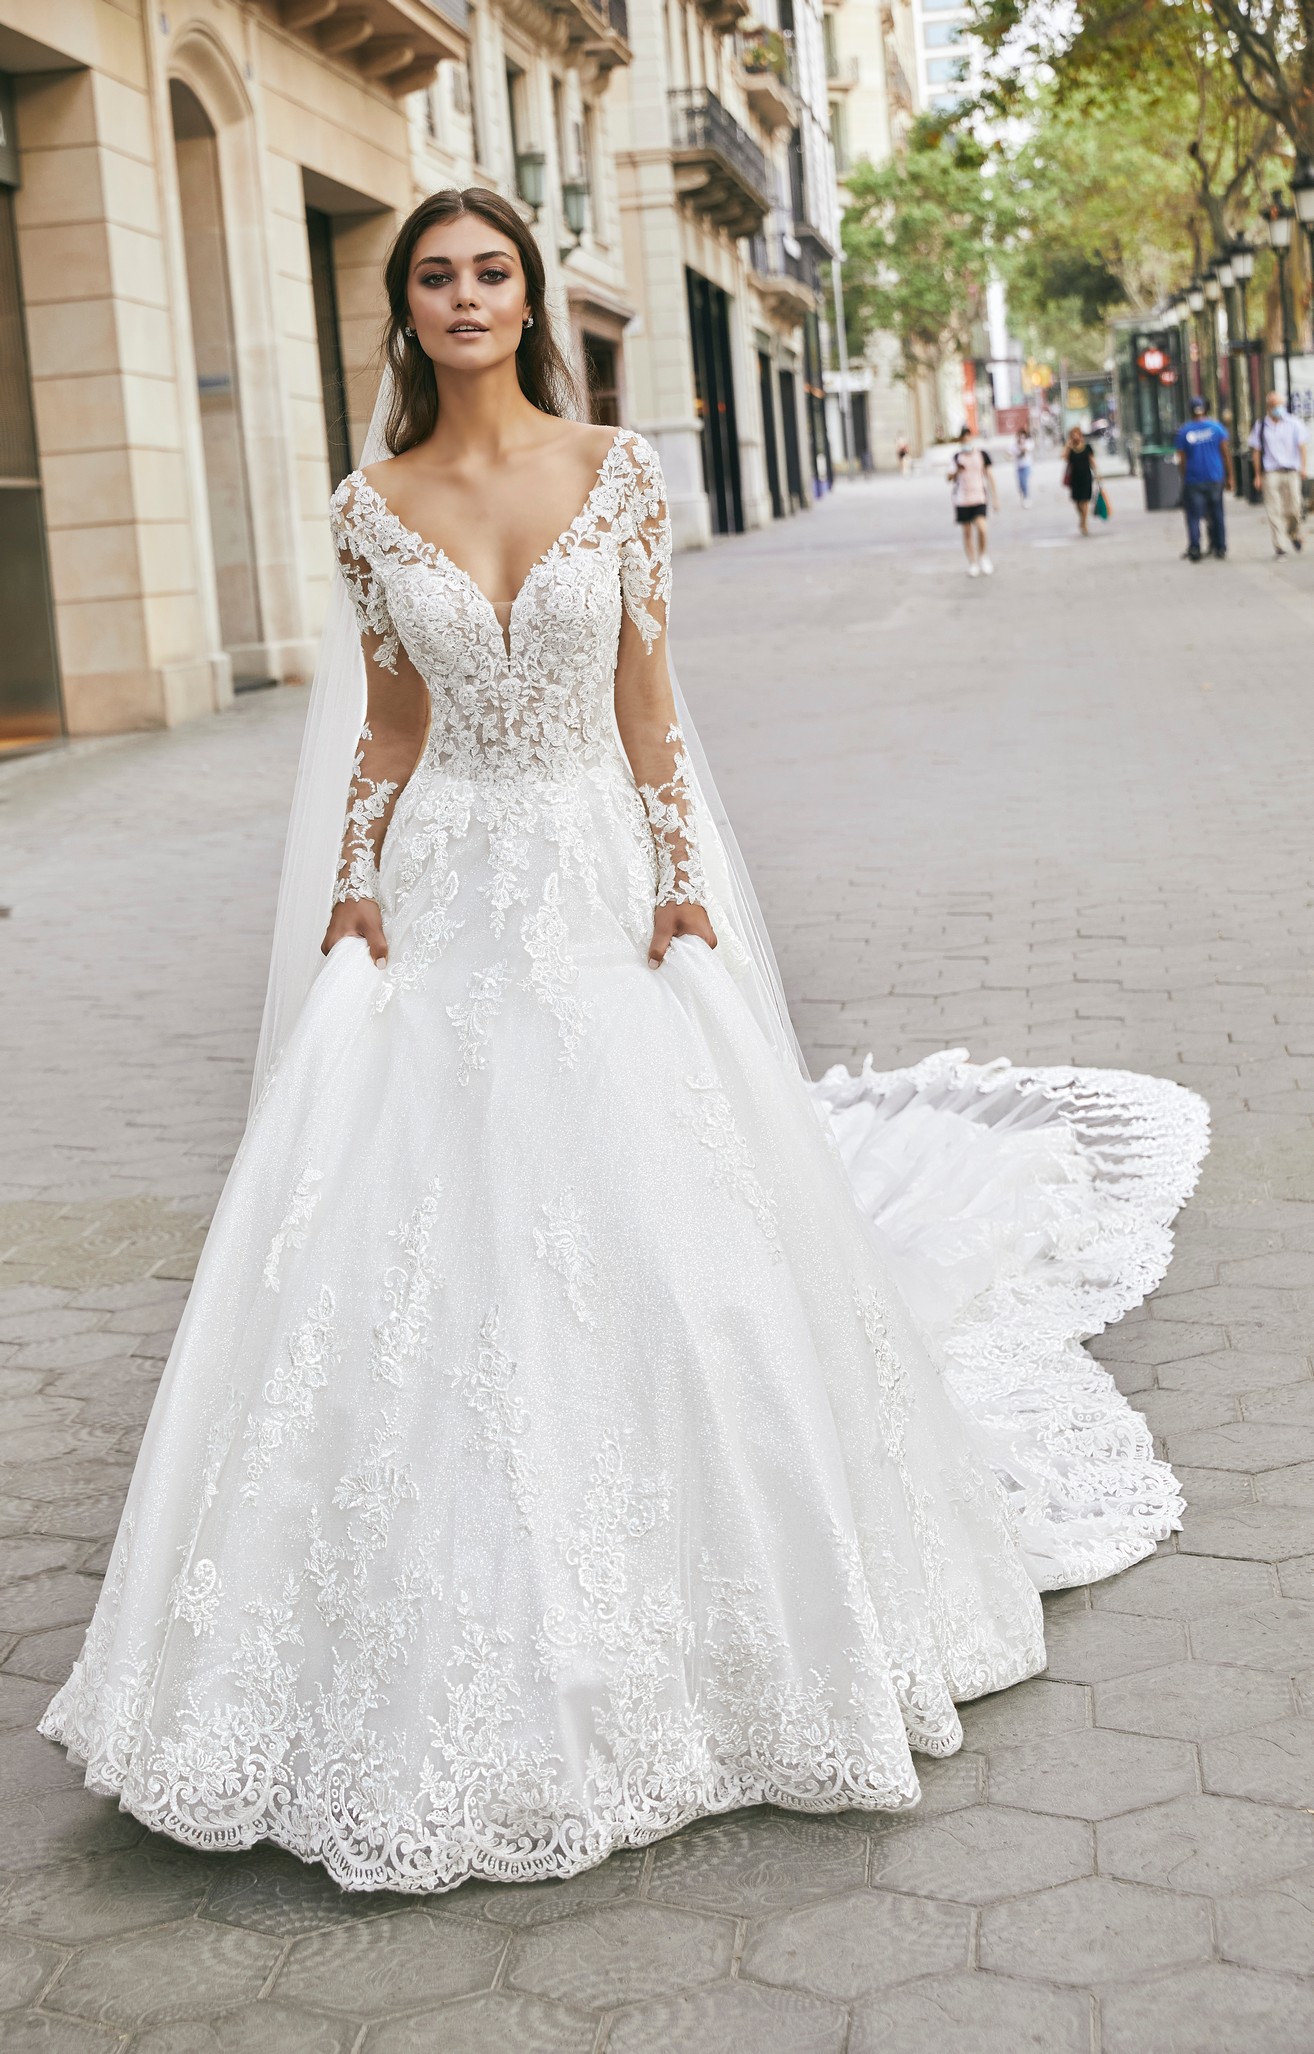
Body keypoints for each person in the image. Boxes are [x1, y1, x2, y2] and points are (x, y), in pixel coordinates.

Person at [40, 187, 1208, 1895]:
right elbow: (384, 723)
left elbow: (649, 701)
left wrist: (680, 879)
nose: (464, 296)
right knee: (415, 1244)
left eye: (488, 272)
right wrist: (354, 888)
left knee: (669, 1223)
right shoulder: (369, 503)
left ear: (526, 300)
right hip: (446, 887)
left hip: (594, 872)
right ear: (402, 310)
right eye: (433, 275)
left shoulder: (620, 472)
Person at [1249, 390, 1307, 557]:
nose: (1278, 408)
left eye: (1280, 405)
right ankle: (1280, 546)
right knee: (1274, 510)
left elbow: (1302, 446)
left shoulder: (1294, 423)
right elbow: (1256, 452)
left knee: (1295, 508)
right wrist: (1258, 475)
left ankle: (1293, 533)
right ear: (1269, 406)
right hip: (1271, 472)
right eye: (1275, 405)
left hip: (1291, 471)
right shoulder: (1261, 426)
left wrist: (1303, 467)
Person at [1174, 396, 1232, 562]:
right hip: (1215, 477)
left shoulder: (1184, 431)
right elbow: (1225, 453)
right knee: (1217, 513)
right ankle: (1220, 546)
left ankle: (1195, 547)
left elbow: (1182, 458)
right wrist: (1229, 476)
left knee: (1193, 516)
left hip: (1194, 480)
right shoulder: (1216, 428)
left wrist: (1184, 477)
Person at [948, 425, 1000, 575]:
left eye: (968, 438)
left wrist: (995, 498)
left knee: (982, 528)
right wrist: (957, 470)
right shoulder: (956, 457)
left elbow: (990, 476)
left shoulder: (982, 455)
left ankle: (983, 555)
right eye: (963, 439)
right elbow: (949, 477)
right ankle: (972, 562)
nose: (966, 442)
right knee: (967, 533)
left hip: (979, 497)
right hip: (962, 499)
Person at [1062, 426, 1100, 535]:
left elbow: (1092, 461)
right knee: (1077, 503)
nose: (1075, 436)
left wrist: (1097, 474)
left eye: (1077, 434)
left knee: (1085, 501)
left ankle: (1084, 523)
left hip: (1086, 477)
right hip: (1074, 479)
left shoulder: (1087, 447)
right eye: (1073, 435)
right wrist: (1067, 446)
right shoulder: (1071, 449)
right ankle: (1082, 519)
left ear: (1080, 435)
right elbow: (1063, 457)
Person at [1014, 426, 1034, 507]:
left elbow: (1027, 449)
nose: (1021, 438)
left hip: (1027, 466)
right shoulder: (1015, 444)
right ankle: (1023, 495)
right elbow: (1010, 453)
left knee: (1024, 482)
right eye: (1020, 436)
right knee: (1020, 484)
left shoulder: (1029, 442)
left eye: (1023, 436)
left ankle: (1026, 497)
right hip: (1019, 467)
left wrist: (1022, 446)